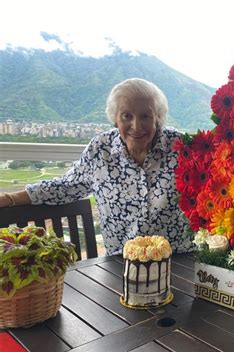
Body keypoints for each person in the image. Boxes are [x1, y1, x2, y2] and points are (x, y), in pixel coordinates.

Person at [0, 78, 193, 255]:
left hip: (177, 259)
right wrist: (10, 198)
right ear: (115, 119)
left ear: (158, 118)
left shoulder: (180, 146)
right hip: (120, 263)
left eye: (145, 116)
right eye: (127, 116)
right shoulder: (101, 149)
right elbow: (65, 187)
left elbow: (215, 181)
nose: (136, 125)